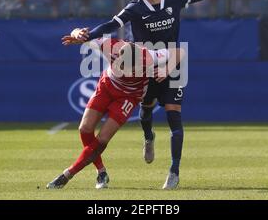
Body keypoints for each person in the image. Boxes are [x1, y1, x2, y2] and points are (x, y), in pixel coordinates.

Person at [67, 0, 218, 189]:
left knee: (174, 116)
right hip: (144, 67)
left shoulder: (174, 0)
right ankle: (148, 137)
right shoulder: (135, 7)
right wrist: (87, 36)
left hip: (172, 63)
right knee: (145, 113)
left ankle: (174, 171)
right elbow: (109, 25)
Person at [47, 32, 184, 189]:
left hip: (129, 97)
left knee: (103, 139)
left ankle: (67, 175)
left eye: (127, 68)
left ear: (139, 63)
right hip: (106, 87)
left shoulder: (150, 57)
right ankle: (101, 172)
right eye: (120, 64)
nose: (122, 69)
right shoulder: (110, 46)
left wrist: (167, 68)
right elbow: (83, 35)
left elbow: (180, 52)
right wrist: (77, 33)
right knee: (84, 129)